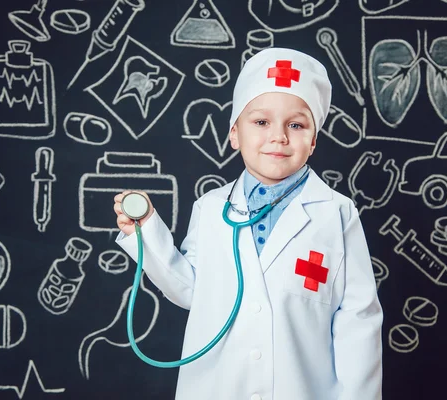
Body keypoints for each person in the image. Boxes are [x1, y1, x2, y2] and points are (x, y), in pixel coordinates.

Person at [114, 47, 383, 400]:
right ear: (234, 134)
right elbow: (191, 290)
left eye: (296, 125)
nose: (279, 136)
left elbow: (358, 320)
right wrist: (147, 232)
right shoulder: (211, 208)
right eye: (260, 122)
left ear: (314, 140)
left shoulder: (336, 213)